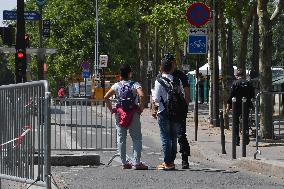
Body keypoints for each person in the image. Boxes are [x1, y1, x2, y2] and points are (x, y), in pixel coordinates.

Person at [104, 64, 148, 170]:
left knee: (121, 138)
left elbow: (106, 97)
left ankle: (124, 162)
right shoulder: (135, 84)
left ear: (120, 75)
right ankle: (137, 163)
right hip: (133, 114)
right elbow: (142, 95)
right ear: (129, 73)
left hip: (120, 114)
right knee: (136, 138)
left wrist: (112, 110)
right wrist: (141, 108)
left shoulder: (117, 85)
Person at [155, 53, 191, 169]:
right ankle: (174, 161)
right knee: (175, 136)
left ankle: (179, 160)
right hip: (176, 110)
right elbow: (185, 93)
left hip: (170, 110)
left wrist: (184, 107)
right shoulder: (177, 77)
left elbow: (186, 93)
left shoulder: (176, 76)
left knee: (175, 135)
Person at [227, 69, 255, 146]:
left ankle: (236, 140)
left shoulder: (235, 83)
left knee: (235, 122)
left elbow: (231, 95)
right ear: (244, 75)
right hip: (246, 105)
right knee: (245, 121)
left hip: (236, 105)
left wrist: (228, 105)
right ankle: (245, 137)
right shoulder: (248, 83)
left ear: (236, 75)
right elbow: (252, 95)